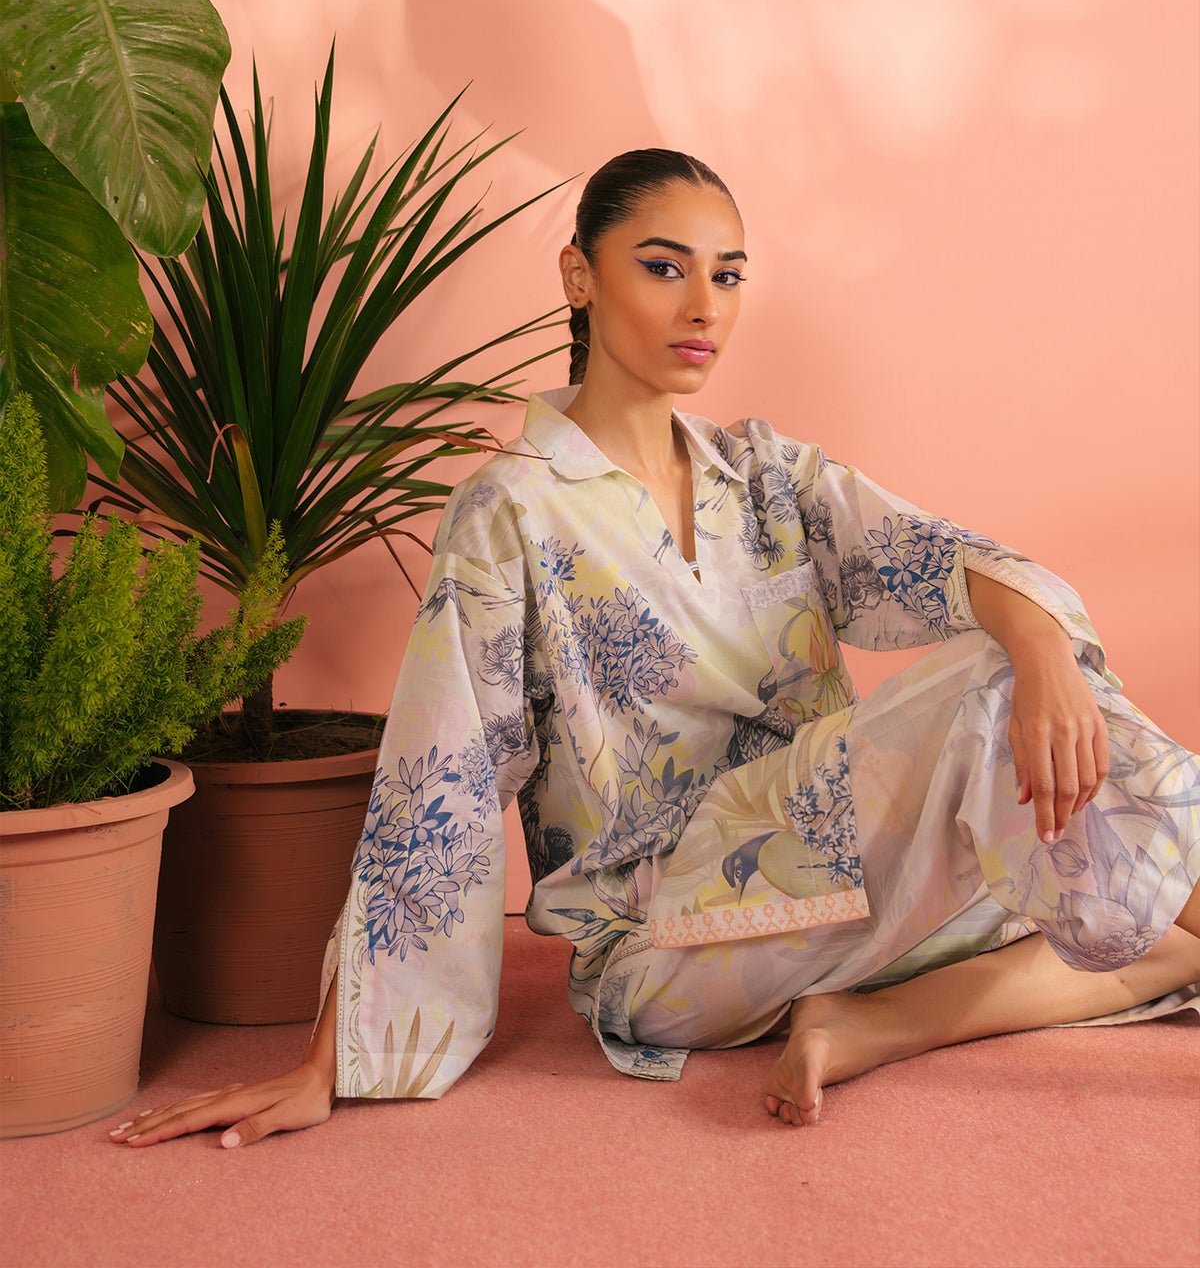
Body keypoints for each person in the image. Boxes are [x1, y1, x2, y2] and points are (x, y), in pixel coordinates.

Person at [111, 150, 1200, 1150]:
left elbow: (937, 558)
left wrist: (1043, 649)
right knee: (1046, 776)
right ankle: (882, 1002)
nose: (703, 307)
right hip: (668, 941)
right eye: (664, 267)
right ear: (579, 276)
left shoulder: (764, 474)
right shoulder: (513, 511)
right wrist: (335, 1060)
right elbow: (442, 776)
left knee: (1110, 850)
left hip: (836, 874)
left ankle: (871, 1024)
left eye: (728, 276)